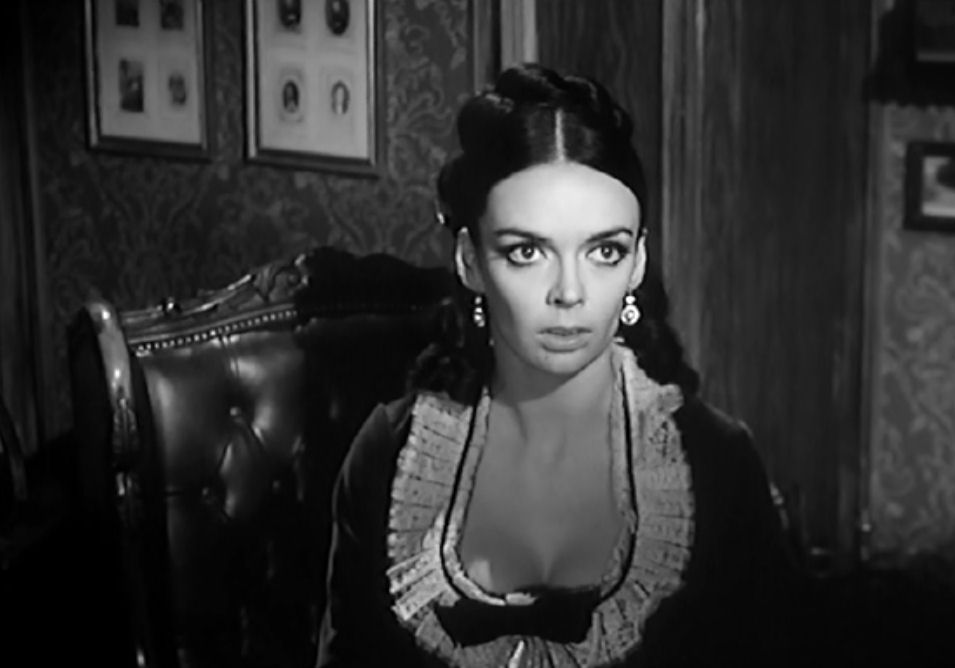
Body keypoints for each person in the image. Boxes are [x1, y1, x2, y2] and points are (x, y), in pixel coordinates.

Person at [315, 63, 801, 667]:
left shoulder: (716, 462)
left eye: (604, 251)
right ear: (470, 261)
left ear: (638, 262)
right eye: (527, 251)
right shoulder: (389, 453)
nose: (569, 292)